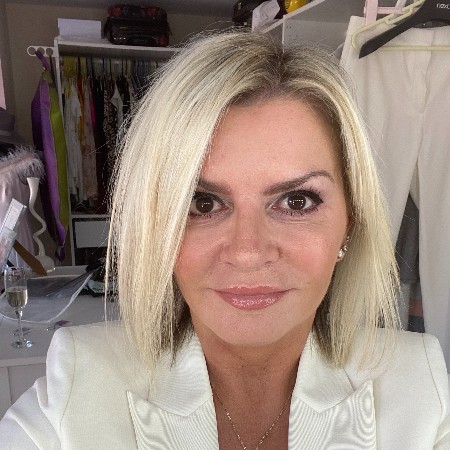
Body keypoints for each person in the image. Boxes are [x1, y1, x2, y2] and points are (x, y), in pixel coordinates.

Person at [1, 30, 449, 449]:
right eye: (202, 203)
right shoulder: (76, 392)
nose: (248, 252)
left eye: (296, 201)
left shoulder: (422, 392)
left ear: (350, 223)